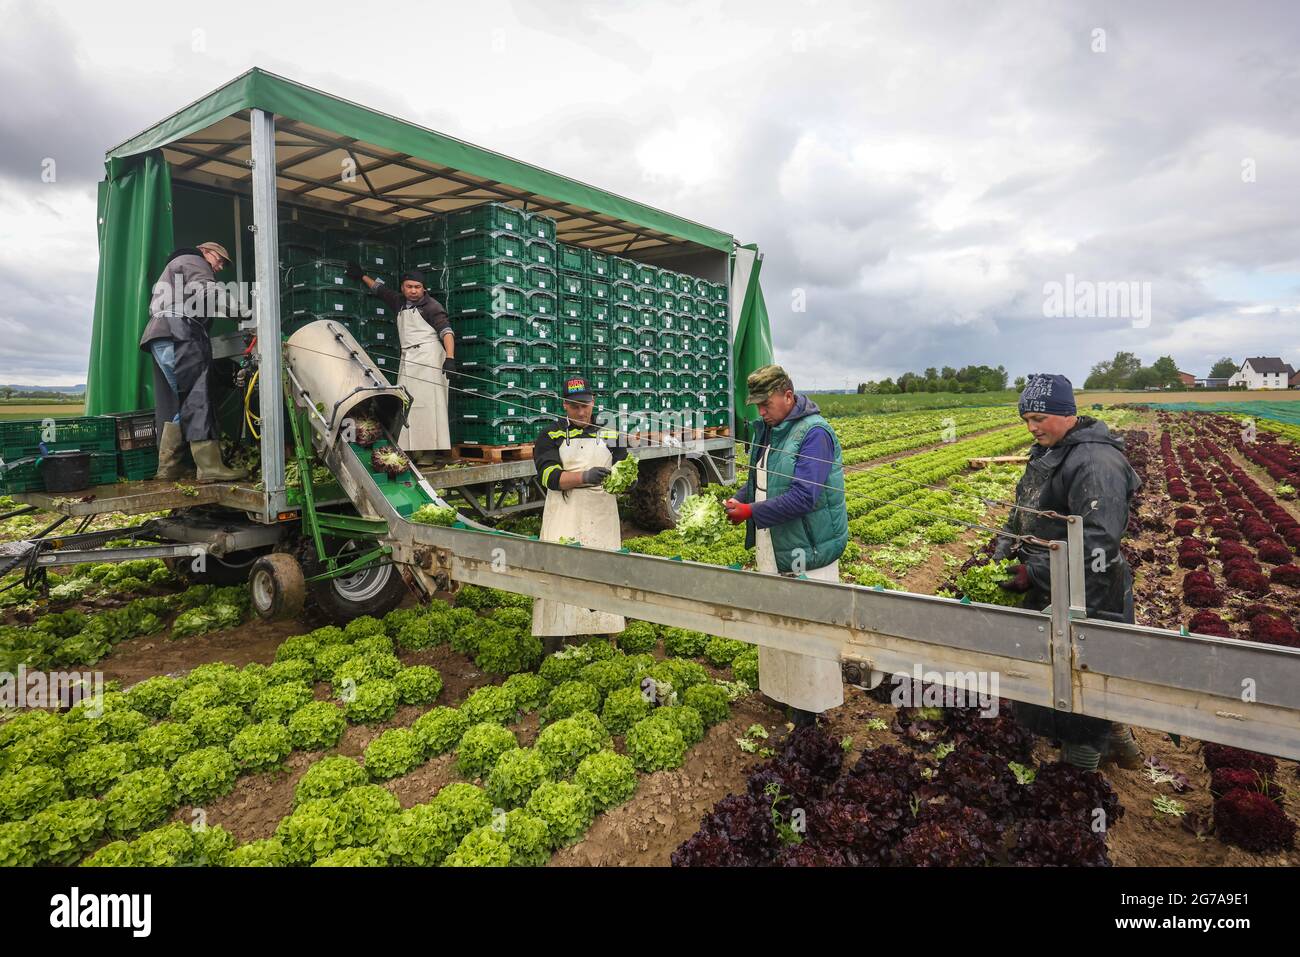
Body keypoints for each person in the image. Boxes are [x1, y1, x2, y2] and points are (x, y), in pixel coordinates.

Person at [994, 373, 1143, 770]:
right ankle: (1114, 737)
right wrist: (1007, 542)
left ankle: (1081, 777)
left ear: (1066, 413)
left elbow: (1097, 541)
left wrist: (1035, 572)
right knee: (1053, 673)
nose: (1032, 427)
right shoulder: (1051, 450)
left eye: (1039, 417)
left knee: (1080, 678)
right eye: (1026, 418)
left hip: (1092, 591)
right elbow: (1027, 510)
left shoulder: (1095, 463)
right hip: (1056, 584)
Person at [723, 365, 849, 728]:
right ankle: (784, 696)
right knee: (777, 625)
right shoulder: (768, 429)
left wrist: (750, 512)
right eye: (757, 406)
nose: (760, 412)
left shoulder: (815, 434)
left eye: (766, 404)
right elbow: (761, 479)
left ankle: (808, 712)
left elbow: (805, 496)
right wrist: (739, 499)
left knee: (806, 631)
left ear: (788, 395)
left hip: (805, 552)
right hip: (774, 543)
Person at [530, 376, 628, 653]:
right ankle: (554, 640)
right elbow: (549, 476)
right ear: (564, 405)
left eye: (585, 405)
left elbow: (624, 463)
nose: (581, 412)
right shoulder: (550, 435)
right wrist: (584, 476)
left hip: (601, 513)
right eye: (574, 406)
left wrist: (626, 478)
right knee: (559, 573)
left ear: (593, 402)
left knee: (602, 572)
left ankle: (602, 636)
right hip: (565, 511)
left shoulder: (609, 431)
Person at [139, 241, 248, 482]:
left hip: (164, 334)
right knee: (198, 398)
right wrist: (244, 312)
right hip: (179, 333)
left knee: (187, 400)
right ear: (205, 251)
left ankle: (169, 469)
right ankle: (210, 468)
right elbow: (208, 292)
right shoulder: (193, 260)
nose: (219, 267)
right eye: (218, 260)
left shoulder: (175, 268)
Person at [347, 264, 454, 462]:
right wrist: (362, 275)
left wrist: (450, 358)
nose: (413, 290)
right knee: (407, 405)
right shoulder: (399, 302)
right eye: (409, 286)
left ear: (424, 288)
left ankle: (430, 452)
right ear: (403, 288)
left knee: (430, 405)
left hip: (429, 358)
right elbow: (380, 290)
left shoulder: (432, 307)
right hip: (408, 358)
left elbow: (446, 332)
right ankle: (412, 449)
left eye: (417, 287)